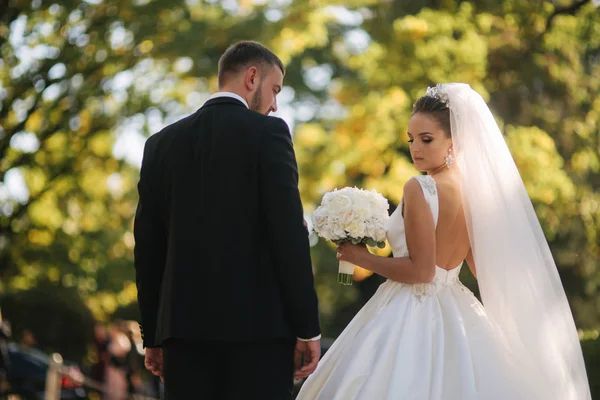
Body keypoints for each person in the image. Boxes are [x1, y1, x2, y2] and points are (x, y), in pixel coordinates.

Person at [297, 83, 591, 399]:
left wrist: (359, 257)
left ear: (454, 141)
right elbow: (481, 268)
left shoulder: (420, 188)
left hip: (409, 311)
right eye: (411, 140)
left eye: (427, 139)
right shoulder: (477, 194)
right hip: (458, 309)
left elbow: (422, 272)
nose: (415, 148)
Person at [133, 41, 321, 399]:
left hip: (182, 337)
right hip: (259, 335)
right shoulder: (270, 134)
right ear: (252, 77)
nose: (275, 104)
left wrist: (153, 337)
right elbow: (288, 235)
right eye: (274, 89)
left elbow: (148, 246)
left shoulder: (160, 144)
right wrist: (307, 328)